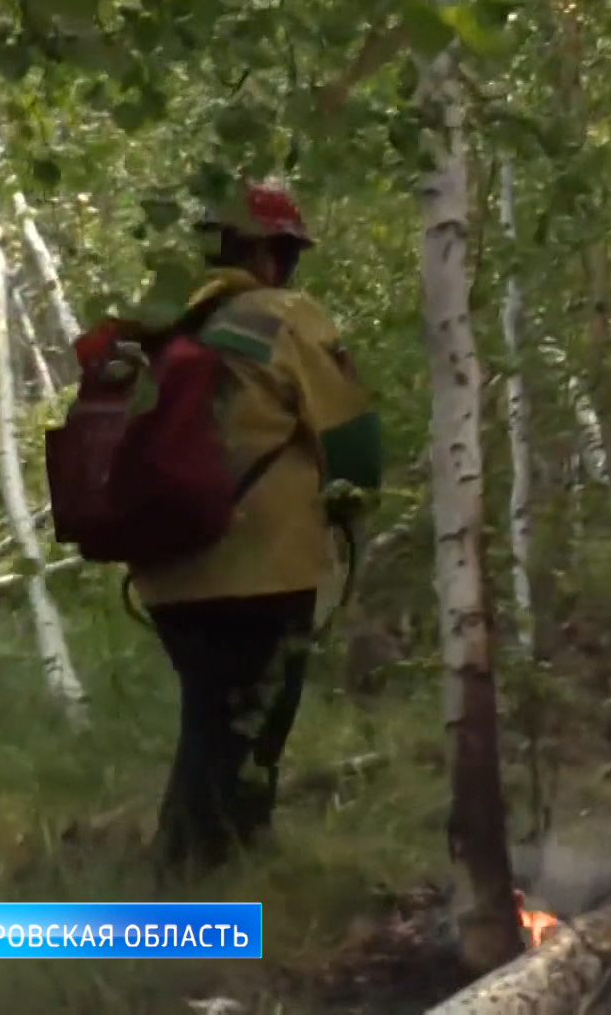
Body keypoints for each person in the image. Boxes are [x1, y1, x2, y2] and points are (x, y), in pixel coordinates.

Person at [132, 179, 382, 876]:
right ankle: (207, 876)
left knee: (210, 720)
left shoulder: (162, 318)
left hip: (165, 565)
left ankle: (192, 867)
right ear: (272, 254)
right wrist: (356, 497)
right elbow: (349, 431)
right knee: (251, 727)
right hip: (262, 564)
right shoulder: (282, 315)